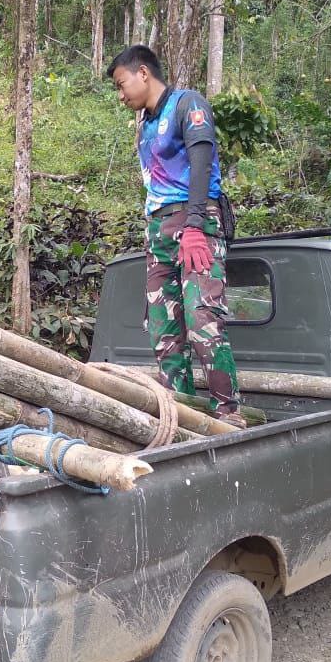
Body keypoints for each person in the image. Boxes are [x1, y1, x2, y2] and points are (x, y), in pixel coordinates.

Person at [106, 45, 245, 428]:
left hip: (195, 221)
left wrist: (197, 226)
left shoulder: (187, 105)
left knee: (202, 318)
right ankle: (181, 413)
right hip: (159, 230)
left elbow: (202, 165)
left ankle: (228, 411)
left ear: (143, 73)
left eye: (122, 85)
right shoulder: (145, 125)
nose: (121, 96)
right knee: (163, 329)